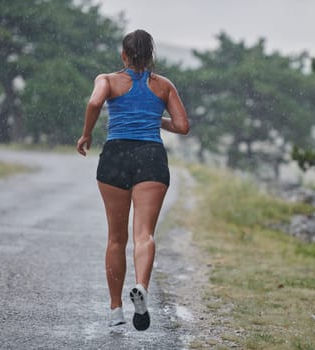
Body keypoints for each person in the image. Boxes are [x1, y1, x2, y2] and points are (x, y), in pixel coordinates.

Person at [76, 29, 189, 331]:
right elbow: (182, 125)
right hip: (150, 157)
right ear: (151, 57)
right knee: (144, 235)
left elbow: (94, 103)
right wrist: (153, 118)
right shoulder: (163, 85)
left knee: (116, 238)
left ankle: (116, 309)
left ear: (123, 55)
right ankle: (141, 286)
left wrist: (87, 134)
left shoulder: (108, 80)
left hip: (115, 155)